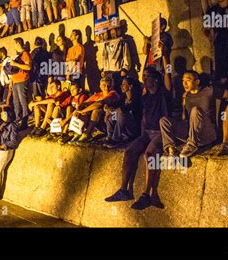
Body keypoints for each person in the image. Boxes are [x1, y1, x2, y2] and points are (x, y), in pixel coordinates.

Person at [105, 68, 172, 211]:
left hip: (160, 133)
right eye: (143, 76)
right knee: (129, 151)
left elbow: (168, 75)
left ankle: (146, 194)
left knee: (149, 154)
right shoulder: (145, 97)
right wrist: (142, 137)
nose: (144, 79)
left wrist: (165, 56)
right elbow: (144, 117)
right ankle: (124, 190)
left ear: (155, 79)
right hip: (147, 133)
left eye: (147, 76)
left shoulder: (163, 93)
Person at [160, 70, 228, 158]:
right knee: (164, 120)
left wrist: (224, 115)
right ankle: (172, 151)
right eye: (183, 81)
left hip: (207, 132)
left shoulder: (209, 91)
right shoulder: (185, 96)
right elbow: (184, 118)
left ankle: (192, 145)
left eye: (188, 80)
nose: (184, 83)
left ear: (197, 82)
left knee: (195, 110)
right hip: (191, 131)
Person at [71, 77, 120, 143]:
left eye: (107, 85)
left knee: (96, 110)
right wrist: (78, 110)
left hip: (111, 122)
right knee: (84, 109)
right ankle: (78, 132)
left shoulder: (113, 94)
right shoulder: (98, 95)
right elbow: (84, 103)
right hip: (100, 122)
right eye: (103, 85)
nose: (105, 87)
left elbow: (99, 103)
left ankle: (87, 133)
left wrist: (82, 111)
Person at [105, 77, 142, 146]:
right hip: (126, 128)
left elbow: (123, 110)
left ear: (130, 87)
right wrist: (108, 109)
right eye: (121, 84)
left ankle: (116, 139)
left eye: (124, 84)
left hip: (134, 130)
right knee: (112, 115)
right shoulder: (124, 98)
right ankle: (110, 137)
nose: (121, 86)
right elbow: (114, 106)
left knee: (121, 114)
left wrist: (112, 110)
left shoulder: (136, 99)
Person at [9, 38, 31, 130]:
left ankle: (25, 121)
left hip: (22, 80)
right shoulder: (16, 55)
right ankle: (18, 119)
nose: (13, 46)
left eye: (14, 44)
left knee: (23, 101)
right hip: (15, 81)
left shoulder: (25, 54)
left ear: (18, 44)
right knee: (16, 102)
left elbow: (28, 67)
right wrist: (11, 81)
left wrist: (15, 64)